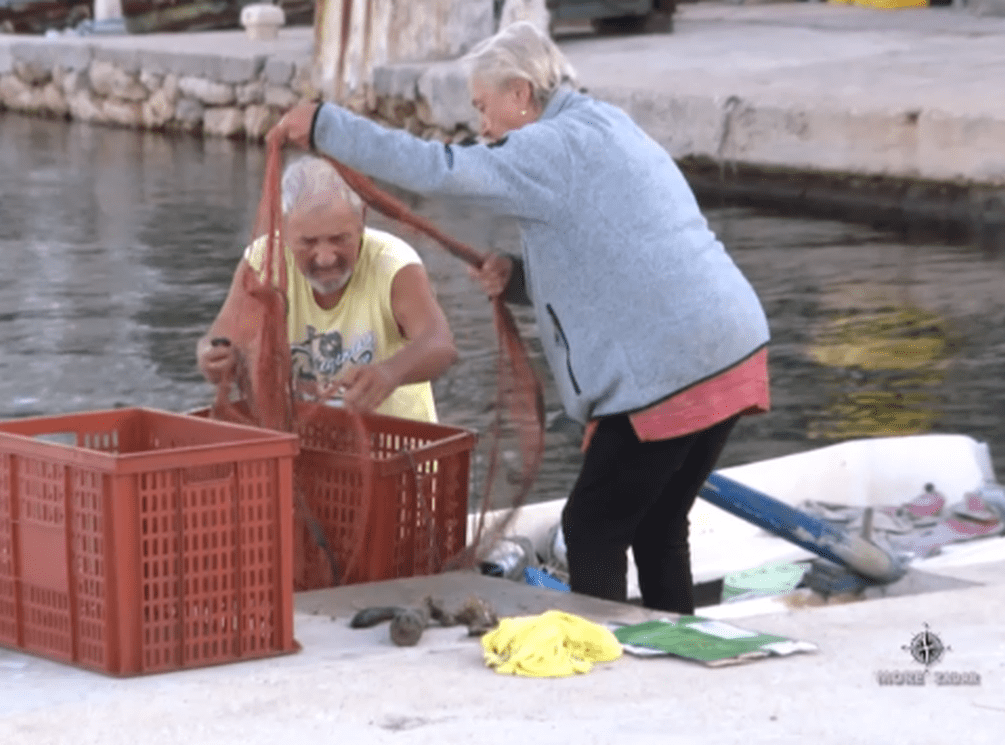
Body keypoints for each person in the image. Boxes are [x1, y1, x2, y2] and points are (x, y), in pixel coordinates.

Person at [270, 21, 771, 614]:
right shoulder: (607, 124)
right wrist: (520, 278)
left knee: (591, 527)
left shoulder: (546, 145)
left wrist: (327, 124)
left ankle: (599, 656)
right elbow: (620, 257)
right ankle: (680, 644)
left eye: (484, 107)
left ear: (521, 94)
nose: (483, 127)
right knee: (659, 520)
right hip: (734, 347)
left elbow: (439, 170)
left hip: (672, 369)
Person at [197, 155, 458, 424]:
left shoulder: (392, 263)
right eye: (308, 243)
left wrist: (390, 373)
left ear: (362, 221)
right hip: (306, 443)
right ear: (283, 229)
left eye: (339, 239)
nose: (325, 257)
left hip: (398, 446)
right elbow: (220, 338)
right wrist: (213, 357)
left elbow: (440, 344)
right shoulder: (263, 262)